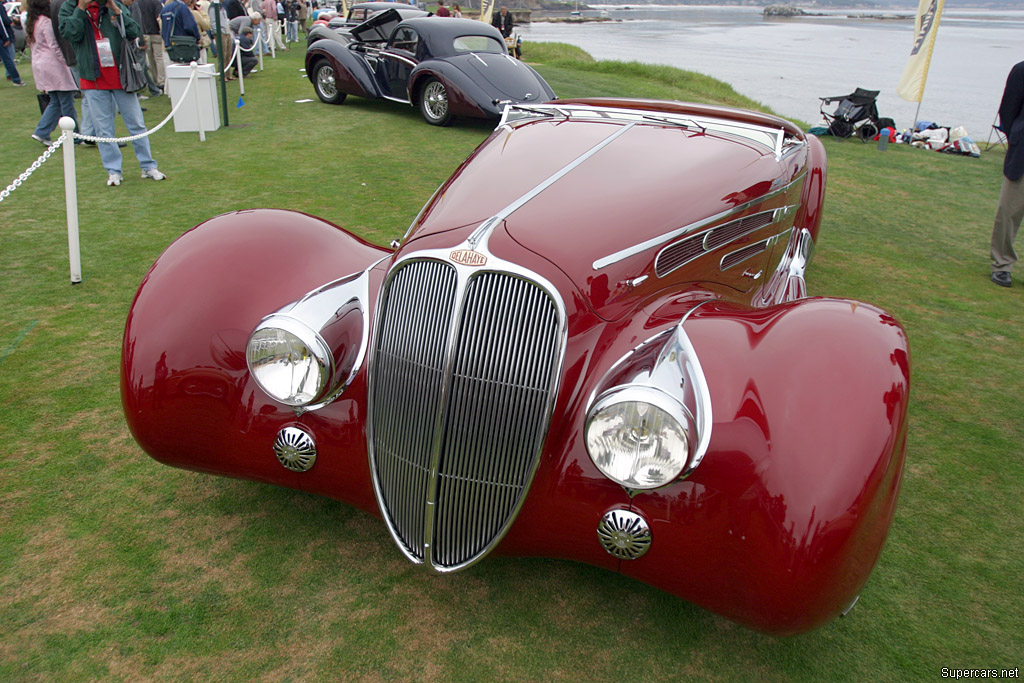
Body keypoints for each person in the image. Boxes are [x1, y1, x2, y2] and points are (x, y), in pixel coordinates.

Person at [59, 0, 166, 185]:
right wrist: (81, 9)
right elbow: (70, 34)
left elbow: (133, 31)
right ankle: (113, 171)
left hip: (122, 76)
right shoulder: (70, 6)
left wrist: (116, 10)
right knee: (103, 129)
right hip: (93, 77)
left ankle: (148, 166)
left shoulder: (112, 4)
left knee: (136, 124)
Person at [990, 60, 1024, 288]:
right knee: (1009, 211)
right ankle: (1002, 265)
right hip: (1022, 153)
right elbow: (1008, 109)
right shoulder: (1022, 70)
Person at [26, 0, 79, 144]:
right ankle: (73, 134)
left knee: (56, 100)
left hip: (40, 63)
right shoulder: (45, 22)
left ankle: (42, 131)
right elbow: (54, 45)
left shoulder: (32, 21)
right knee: (66, 100)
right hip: (53, 64)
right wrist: (66, 61)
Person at [133, 0, 162, 90]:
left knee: (151, 59)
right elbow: (159, 18)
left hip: (145, 33)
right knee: (159, 58)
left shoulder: (137, 3)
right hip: (155, 33)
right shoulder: (156, 2)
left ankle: (155, 80)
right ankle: (161, 81)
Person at [1, 1, 27, 85]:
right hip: (3, 37)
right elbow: (3, 21)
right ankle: (16, 79)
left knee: (8, 58)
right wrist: (6, 38)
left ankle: (11, 76)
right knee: (8, 58)